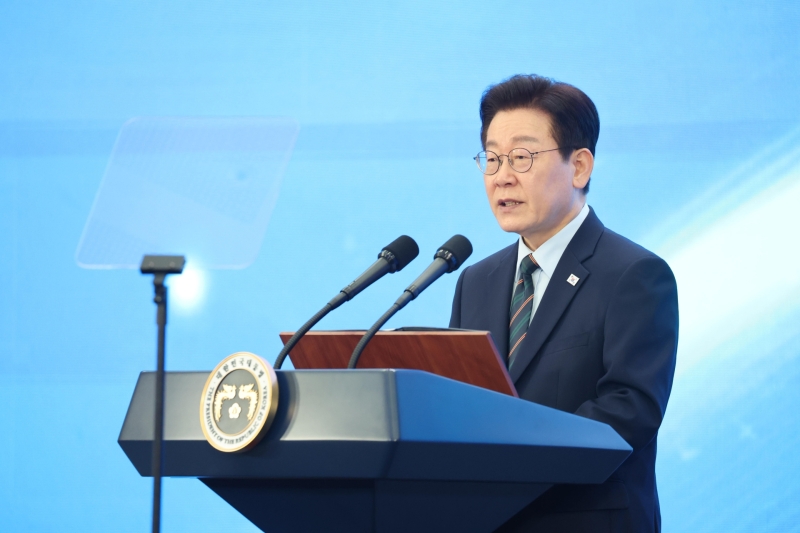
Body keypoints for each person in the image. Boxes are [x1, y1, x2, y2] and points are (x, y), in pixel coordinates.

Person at [449, 74, 678, 533]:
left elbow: (628, 412)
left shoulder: (634, 274)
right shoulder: (476, 280)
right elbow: (461, 402)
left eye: (522, 157)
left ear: (579, 167)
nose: (502, 176)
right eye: (492, 158)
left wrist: (511, 459)